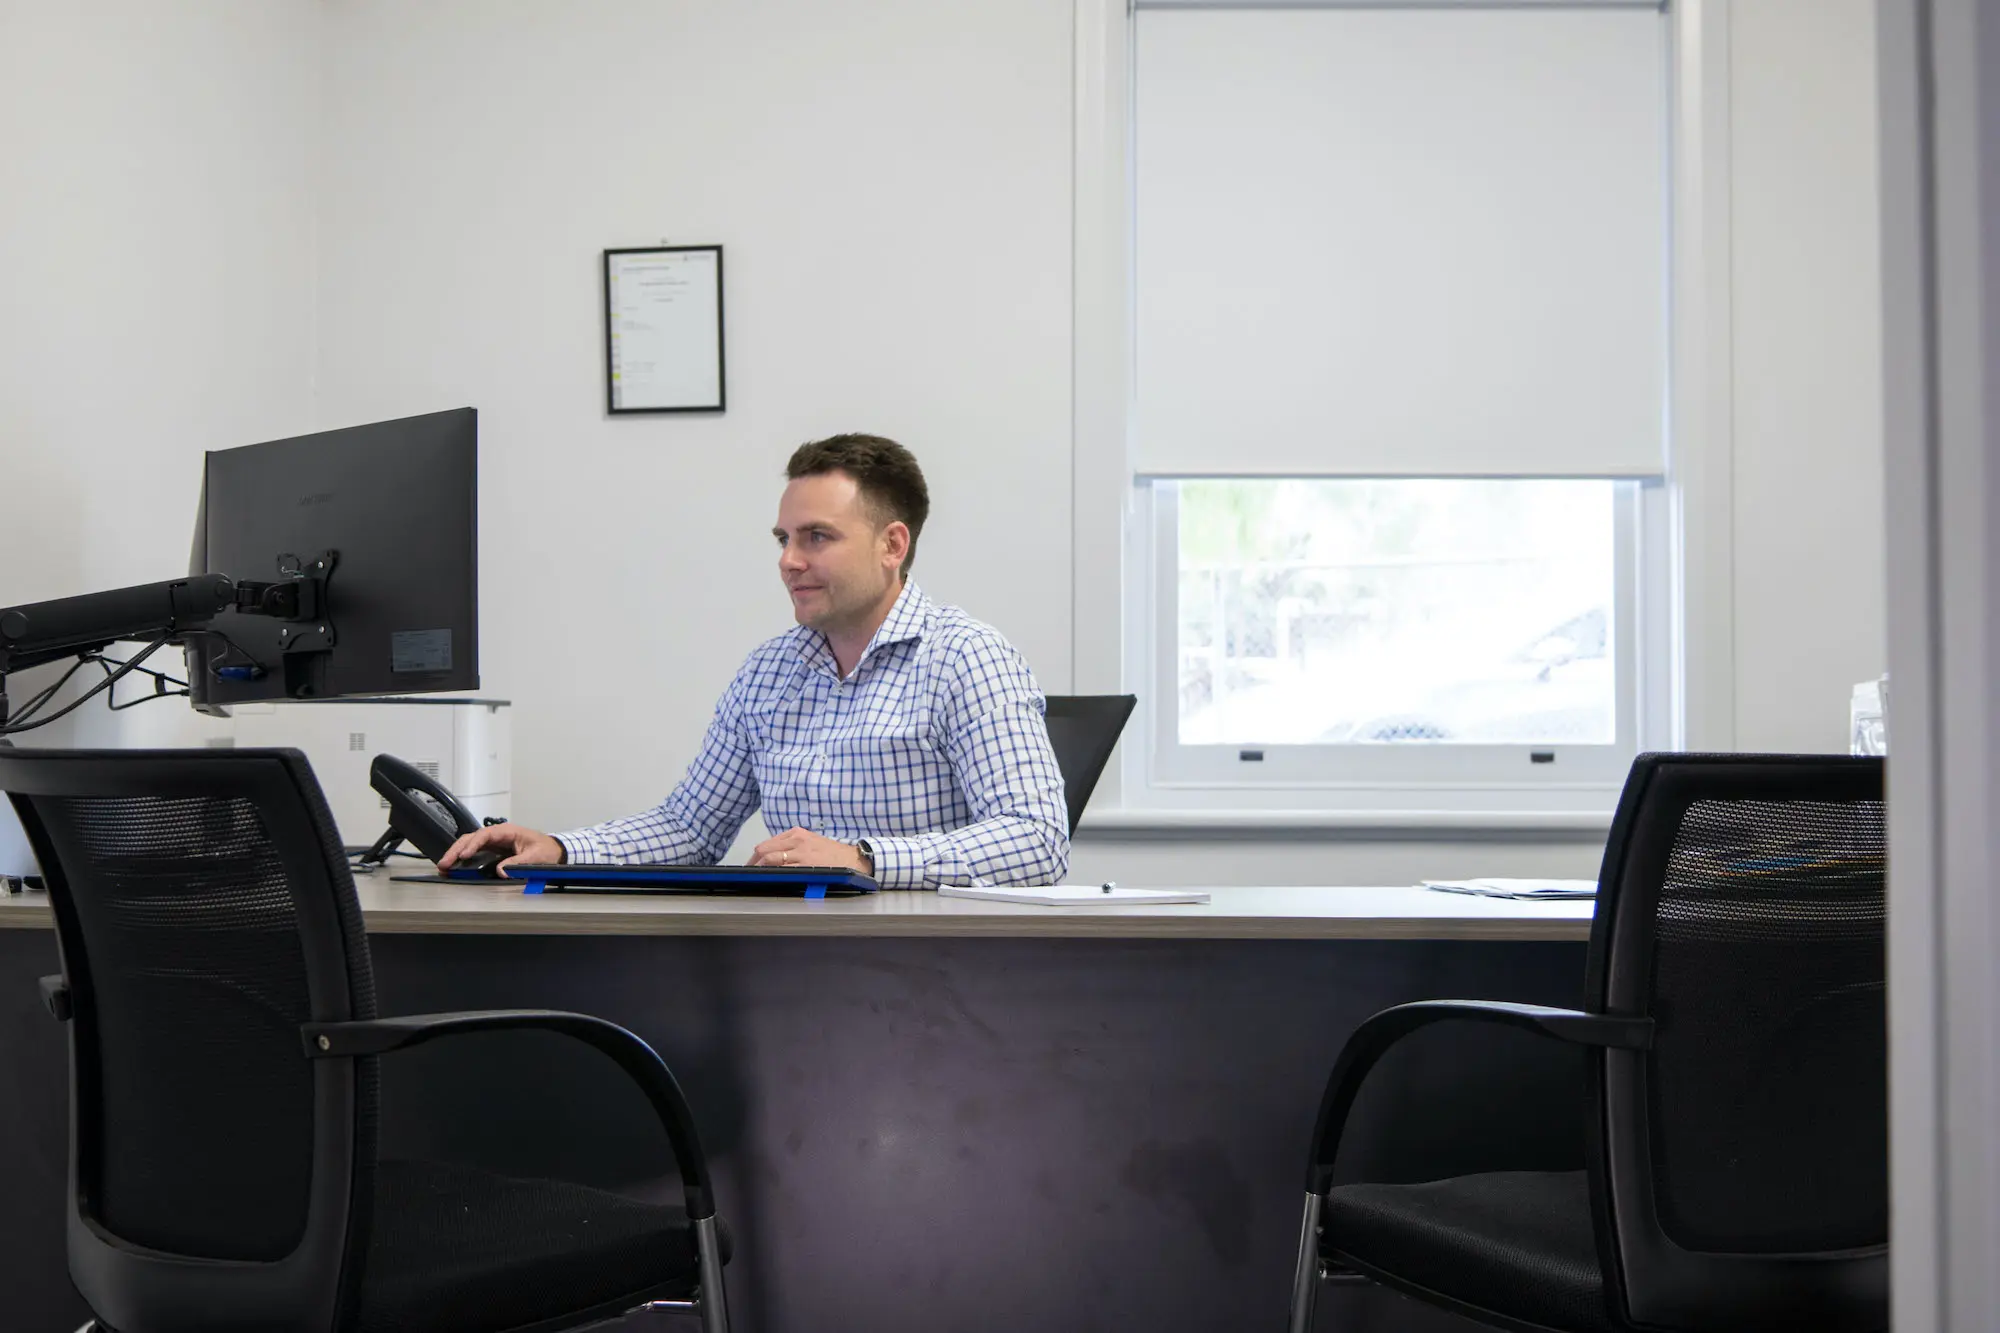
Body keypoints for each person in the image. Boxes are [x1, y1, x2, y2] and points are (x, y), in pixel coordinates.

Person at [441, 434, 1070, 889]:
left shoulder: (967, 658)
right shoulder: (770, 671)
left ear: (892, 544)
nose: (789, 560)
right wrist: (558, 848)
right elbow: (690, 829)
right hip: (791, 958)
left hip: (932, 969)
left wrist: (865, 859)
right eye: (783, 539)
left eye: (816, 537)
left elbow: (1037, 839)